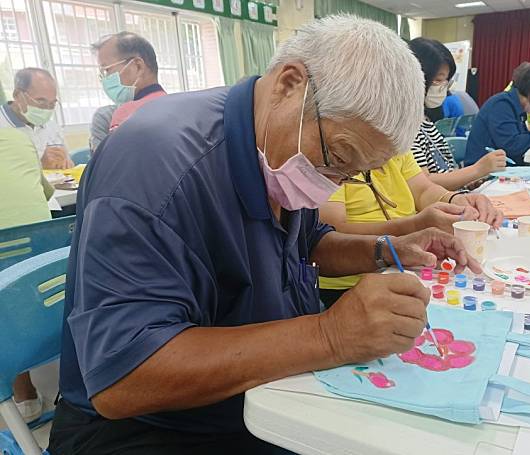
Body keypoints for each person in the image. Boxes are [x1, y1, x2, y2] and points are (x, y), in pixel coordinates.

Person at [48, 16, 481, 454]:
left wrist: (387, 250)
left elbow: (308, 244)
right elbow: (125, 378)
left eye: (355, 173)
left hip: (255, 389)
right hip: (149, 428)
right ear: (289, 84)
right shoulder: (154, 166)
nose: (334, 182)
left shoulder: (279, 146)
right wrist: (330, 335)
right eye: (339, 158)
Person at [318, 151, 503, 307]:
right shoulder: (336, 158)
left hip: (405, 263)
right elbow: (332, 232)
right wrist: (414, 226)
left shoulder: (396, 149)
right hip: (350, 282)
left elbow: (423, 190)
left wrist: (455, 201)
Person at [0, 127, 54, 423]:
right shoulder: (19, 138)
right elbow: (45, 191)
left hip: (12, 299)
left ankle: (25, 396)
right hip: (48, 277)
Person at [408, 37, 507, 191]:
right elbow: (422, 183)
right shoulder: (406, 128)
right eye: (438, 80)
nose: (443, 88)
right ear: (415, 78)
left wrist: (468, 179)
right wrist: (476, 170)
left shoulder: (426, 122)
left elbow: (445, 171)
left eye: (446, 81)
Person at [465, 63, 530, 167]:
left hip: (503, 165)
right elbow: (511, 145)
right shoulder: (502, 105)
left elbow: (514, 136)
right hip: (483, 172)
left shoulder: (514, 105)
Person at [92, 32, 166, 133]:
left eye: (107, 70)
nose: (104, 79)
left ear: (138, 66)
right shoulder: (178, 106)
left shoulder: (126, 115)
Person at [0, 68, 73, 169]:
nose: (47, 109)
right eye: (41, 102)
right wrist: (39, 165)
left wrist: (67, 164)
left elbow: (68, 164)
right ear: (17, 95)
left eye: (52, 104)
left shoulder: (52, 127)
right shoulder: (3, 125)